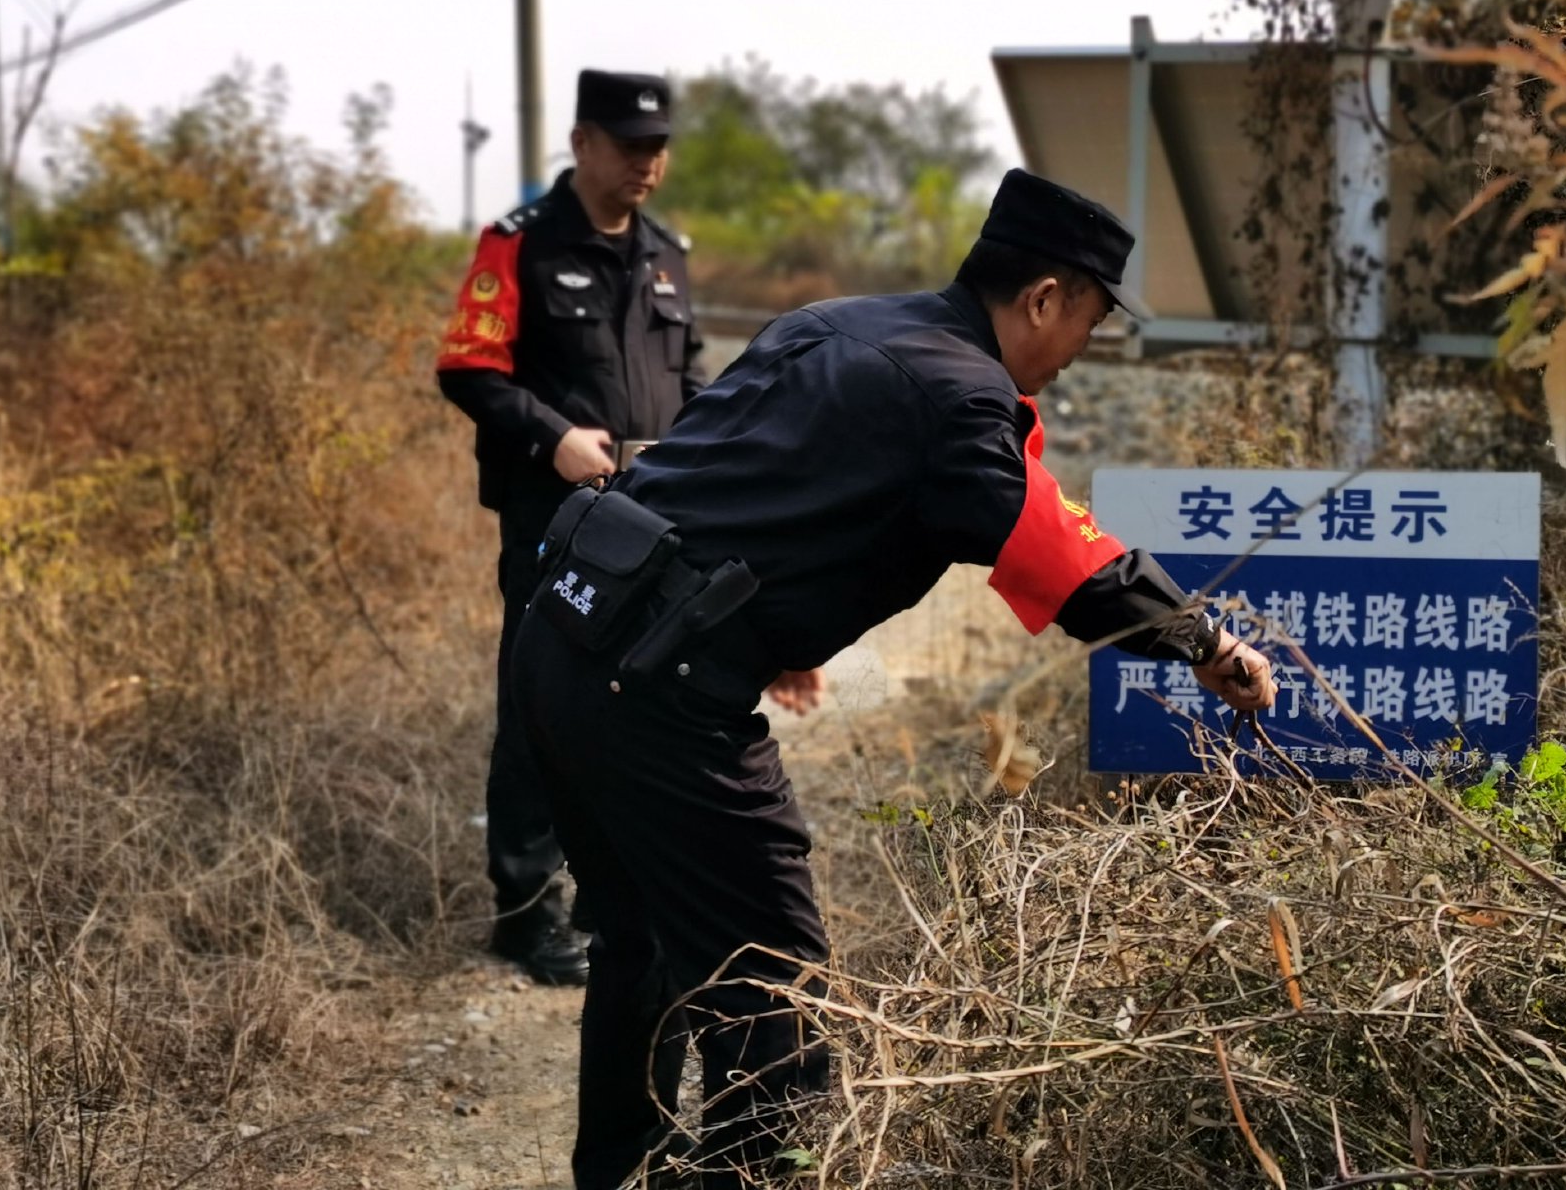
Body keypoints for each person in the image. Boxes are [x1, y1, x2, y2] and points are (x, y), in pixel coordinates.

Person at [511, 167, 1279, 1188]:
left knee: (641, 945)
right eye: (1088, 322)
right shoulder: (957, 401)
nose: (1082, 349)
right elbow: (1071, 564)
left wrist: (770, 634)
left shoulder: (831, 324)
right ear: (1043, 298)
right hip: (656, 686)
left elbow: (727, 472)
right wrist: (1209, 648)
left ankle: (622, 1174)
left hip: (564, 636)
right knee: (772, 990)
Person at [436, 68, 706, 987]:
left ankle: (614, 894)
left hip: (655, 521)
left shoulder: (667, 254)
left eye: (658, 148)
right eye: (629, 146)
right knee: (542, 712)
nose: (647, 163)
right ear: (582, 143)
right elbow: (468, 368)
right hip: (556, 520)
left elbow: (696, 384)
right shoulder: (520, 244)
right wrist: (551, 438)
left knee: (642, 707)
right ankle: (526, 915)